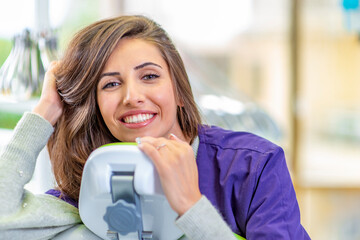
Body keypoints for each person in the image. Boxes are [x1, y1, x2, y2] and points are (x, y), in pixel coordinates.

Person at [0, 15, 310, 239]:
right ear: (95, 104)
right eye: (110, 84)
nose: (132, 97)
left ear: (178, 90)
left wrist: (191, 206)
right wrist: (45, 112)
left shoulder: (252, 166)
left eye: (149, 76)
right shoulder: (89, 182)